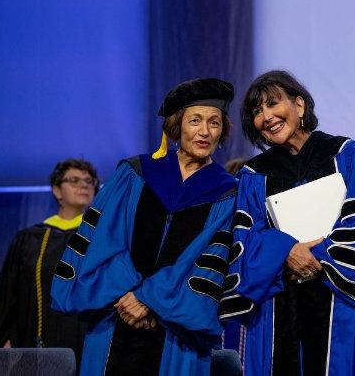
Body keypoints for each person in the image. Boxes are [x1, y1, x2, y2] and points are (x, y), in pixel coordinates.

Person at [219, 70, 355, 375]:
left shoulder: (347, 155)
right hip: (278, 309)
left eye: (272, 103)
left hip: (345, 303)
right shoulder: (253, 176)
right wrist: (286, 250)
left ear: (300, 106)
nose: (266, 116)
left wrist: (313, 256)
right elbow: (245, 239)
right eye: (257, 111)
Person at [51, 78, 238, 376]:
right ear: (177, 126)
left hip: (177, 332)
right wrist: (127, 293)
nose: (205, 131)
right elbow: (104, 239)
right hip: (115, 316)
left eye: (214, 123)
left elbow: (209, 264)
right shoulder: (135, 173)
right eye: (195, 121)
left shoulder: (227, 193)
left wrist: (148, 298)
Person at [0, 159, 98, 367]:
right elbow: (10, 294)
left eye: (89, 181)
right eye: (74, 180)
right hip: (37, 338)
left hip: (87, 337)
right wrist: (4, 337)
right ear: (57, 191)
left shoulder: (102, 237)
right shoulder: (31, 238)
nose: (84, 185)